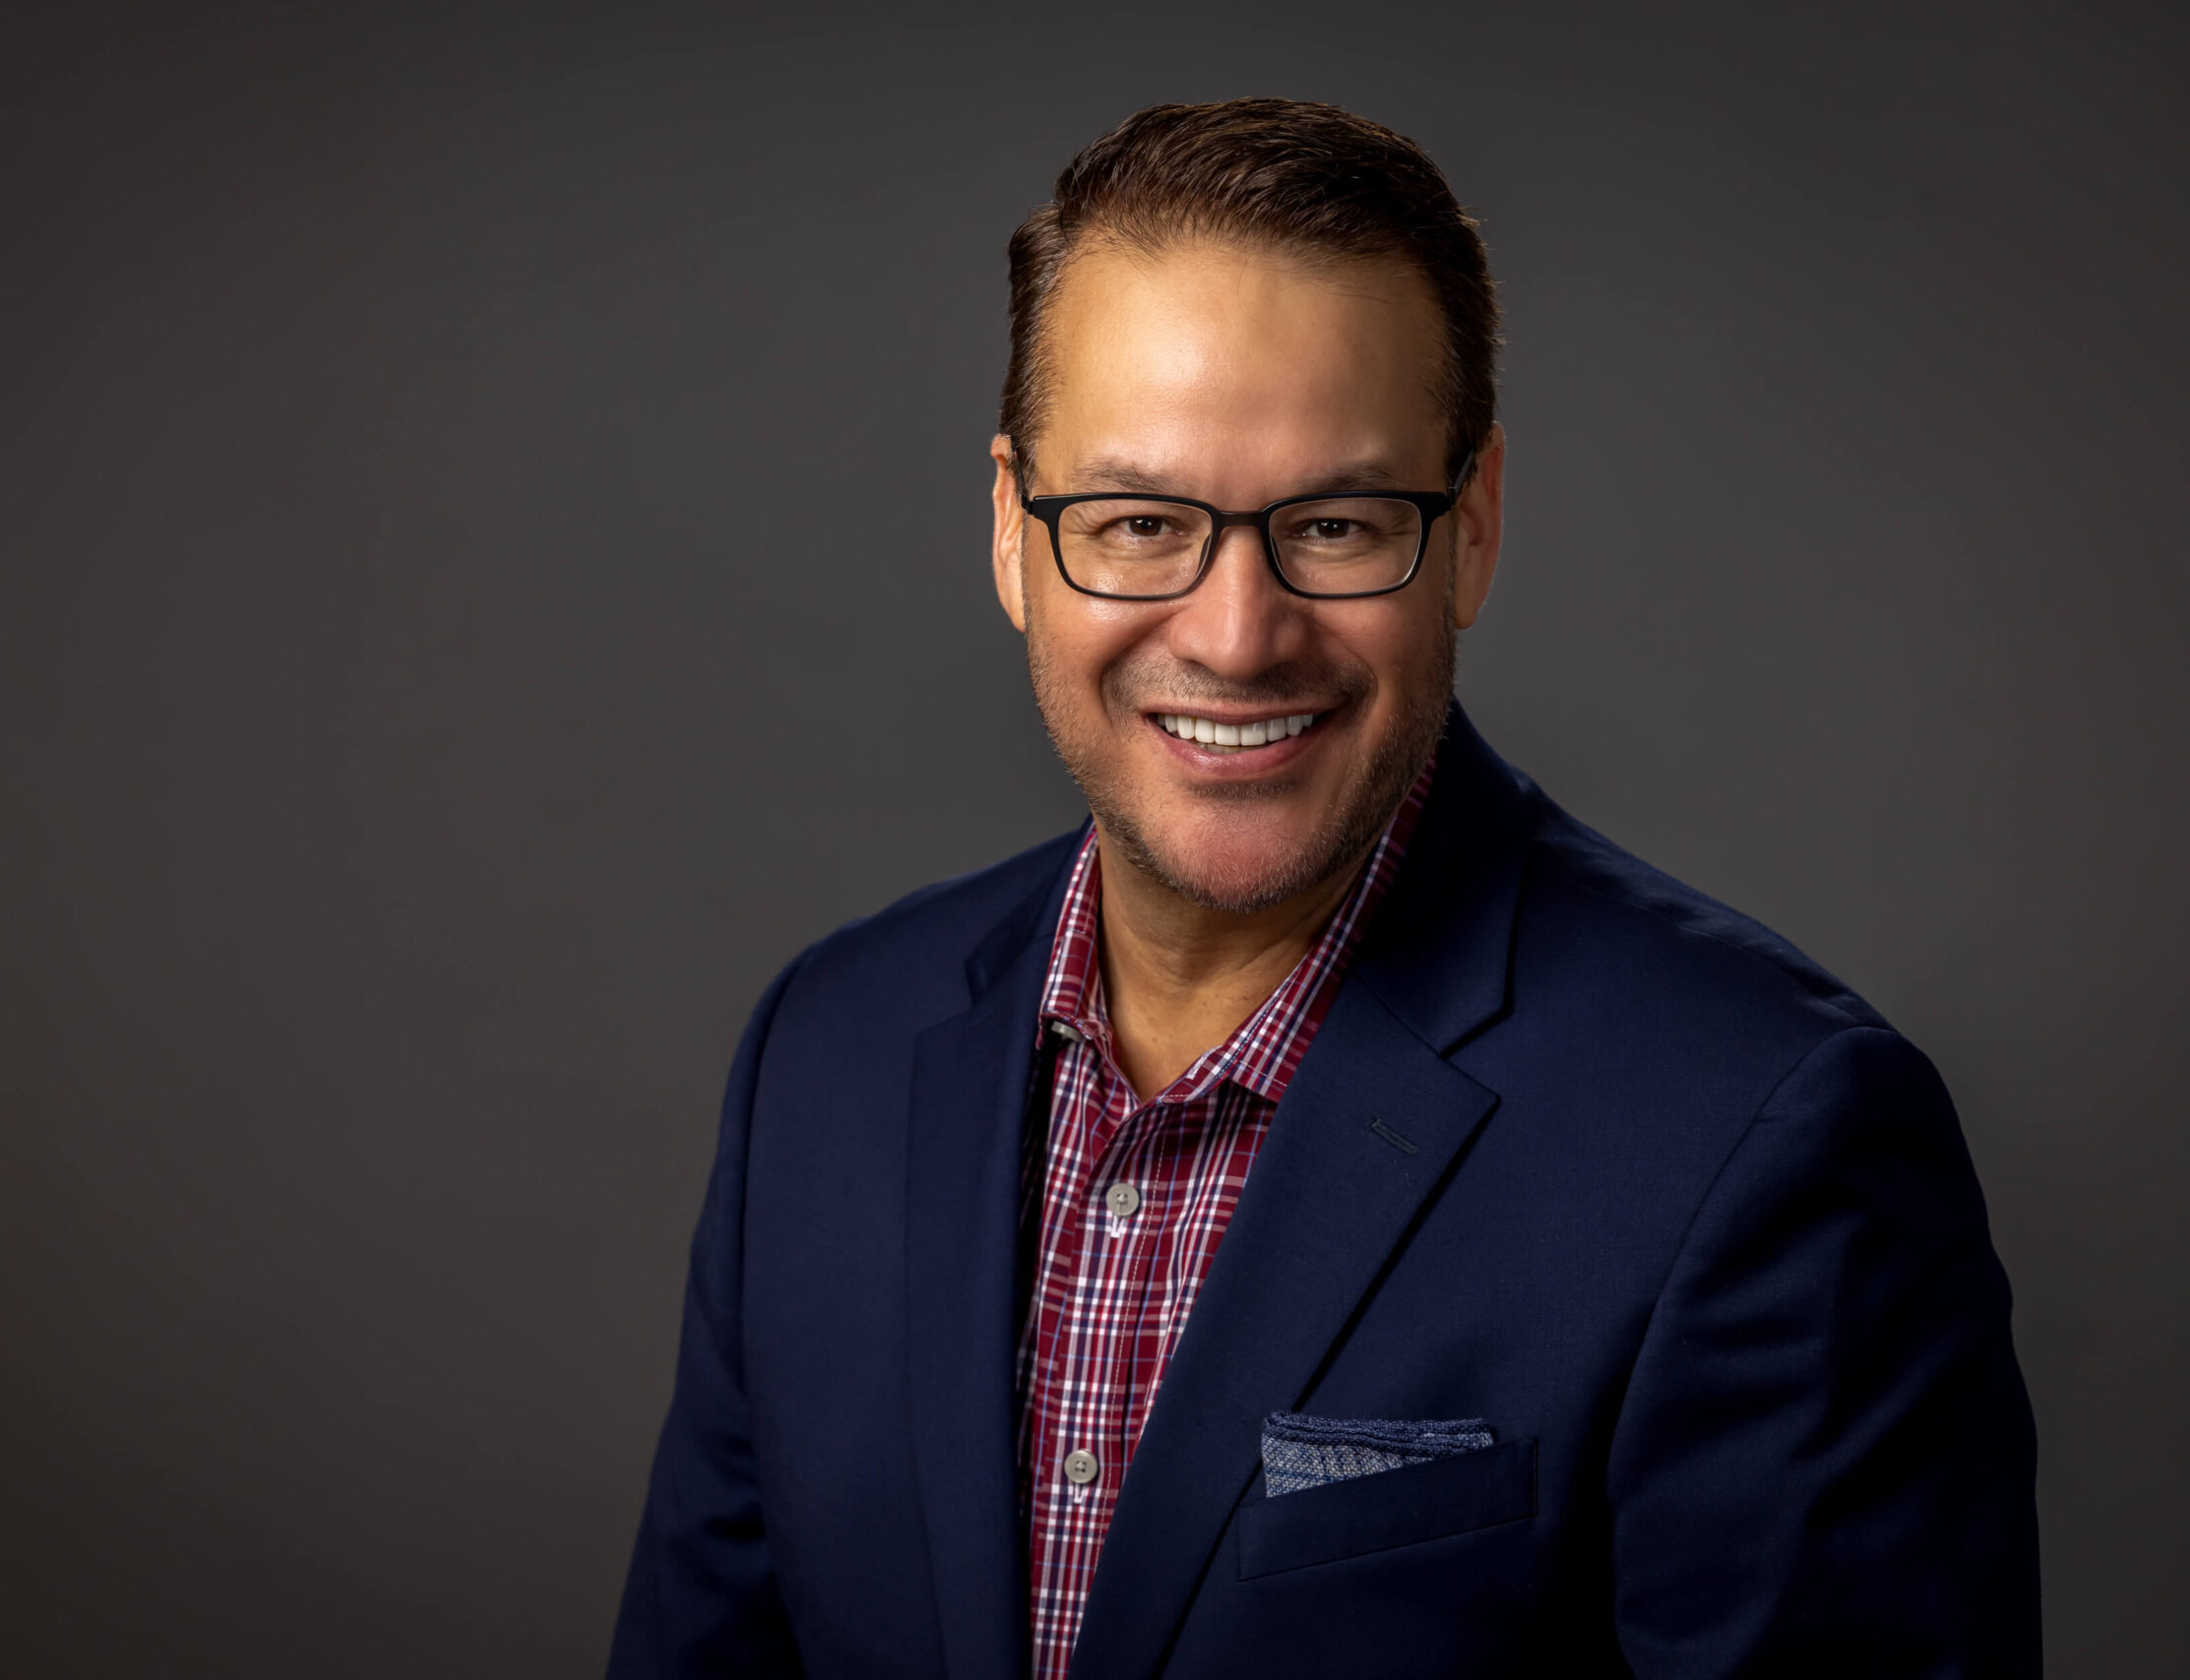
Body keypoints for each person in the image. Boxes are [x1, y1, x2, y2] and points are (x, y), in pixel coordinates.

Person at [608, 98, 2037, 1678]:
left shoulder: (1771, 1142)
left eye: (1338, 524)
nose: (1236, 633)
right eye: (1138, 522)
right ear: (1014, 531)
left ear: (1472, 530)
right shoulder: (830, 1051)